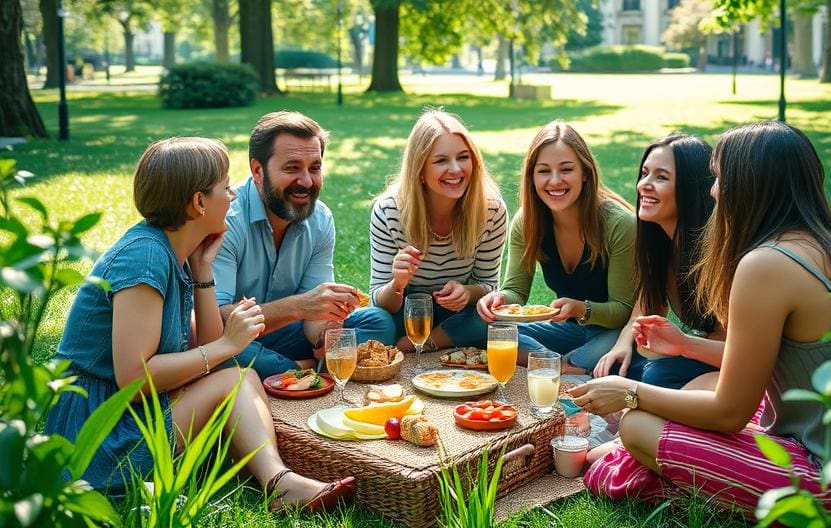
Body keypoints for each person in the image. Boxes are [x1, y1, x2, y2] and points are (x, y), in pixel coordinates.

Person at [570, 121, 831, 512]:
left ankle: (666, 475)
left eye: (720, 178)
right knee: (699, 384)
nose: (713, 190)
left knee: (636, 425)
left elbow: (730, 413)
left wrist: (628, 392)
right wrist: (685, 345)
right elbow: (775, 362)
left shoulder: (767, 264)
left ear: (750, 185)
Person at [45, 138, 355, 511]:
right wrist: (227, 345)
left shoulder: (177, 251)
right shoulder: (144, 259)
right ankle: (279, 484)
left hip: (127, 412)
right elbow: (135, 376)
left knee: (239, 375)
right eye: (226, 188)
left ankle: (277, 482)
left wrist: (203, 269)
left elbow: (212, 348)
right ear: (198, 202)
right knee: (236, 377)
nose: (235, 197)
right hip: (99, 435)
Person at [213, 111, 394, 379]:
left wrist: (325, 334)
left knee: (379, 322)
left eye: (315, 168)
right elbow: (215, 321)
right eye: (292, 168)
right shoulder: (226, 220)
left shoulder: (319, 219)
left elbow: (315, 311)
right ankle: (302, 371)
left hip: (286, 334)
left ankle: (295, 370)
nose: (307, 181)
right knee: (228, 352)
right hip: (234, 340)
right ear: (257, 170)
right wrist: (299, 306)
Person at [477, 121, 636, 373]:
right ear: (532, 176)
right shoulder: (527, 222)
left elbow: (623, 311)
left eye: (566, 169)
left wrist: (582, 309)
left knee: (619, 339)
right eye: (543, 171)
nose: (554, 181)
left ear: (585, 172)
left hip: (615, 333)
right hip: (569, 331)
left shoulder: (619, 224)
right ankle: (567, 365)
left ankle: (556, 364)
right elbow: (516, 291)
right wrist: (499, 298)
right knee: (491, 328)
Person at [592, 134, 723, 390]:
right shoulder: (661, 244)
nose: (644, 185)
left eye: (661, 177)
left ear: (690, 187)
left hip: (739, 368)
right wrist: (621, 346)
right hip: (698, 351)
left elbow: (741, 354)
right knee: (621, 367)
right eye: (645, 173)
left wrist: (683, 344)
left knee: (656, 375)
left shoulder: (716, 253)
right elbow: (643, 312)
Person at [370, 110, 507, 350]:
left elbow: (488, 285)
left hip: (459, 316)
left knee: (492, 317)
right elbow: (380, 302)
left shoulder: (491, 211)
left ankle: (421, 345)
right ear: (420, 170)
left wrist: (466, 292)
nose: (455, 169)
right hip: (406, 315)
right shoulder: (389, 211)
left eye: (463, 157)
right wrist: (398, 283)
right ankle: (423, 341)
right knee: (377, 322)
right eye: (441, 160)